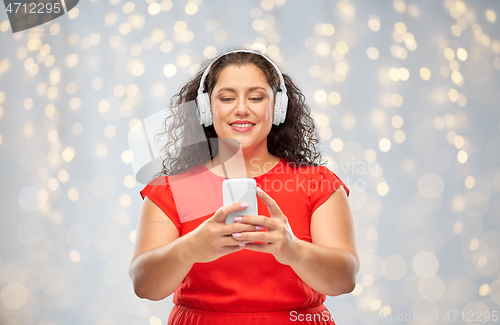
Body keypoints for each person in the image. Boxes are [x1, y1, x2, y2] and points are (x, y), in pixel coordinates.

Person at [129, 48, 359, 324]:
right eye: (226, 98)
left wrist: (292, 249)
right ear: (205, 109)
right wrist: (190, 247)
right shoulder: (169, 190)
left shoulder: (319, 184)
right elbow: (144, 287)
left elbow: (344, 281)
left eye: (256, 97)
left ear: (277, 108)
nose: (241, 109)